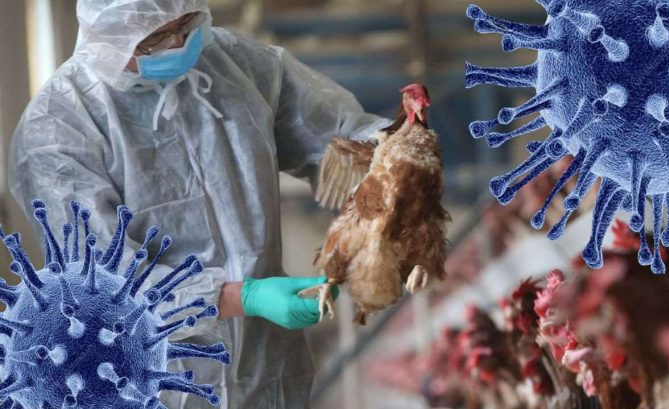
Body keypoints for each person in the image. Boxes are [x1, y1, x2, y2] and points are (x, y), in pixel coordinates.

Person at [9, 1, 389, 408]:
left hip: (265, 369)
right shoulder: (58, 126)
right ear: (110, 37)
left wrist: (395, 163)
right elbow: (102, 282)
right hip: (151, 377)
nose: (178, 44)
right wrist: (243, 297)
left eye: (187, 24)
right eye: (156, 39)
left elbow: (340, 139)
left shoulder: (234, 63)